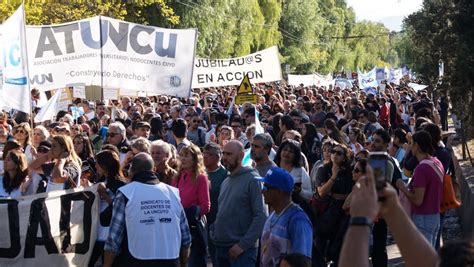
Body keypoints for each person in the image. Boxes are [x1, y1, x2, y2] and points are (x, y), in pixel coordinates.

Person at [339, 166, 439, 267]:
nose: (353, 172)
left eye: (356, 170)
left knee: (378, 253)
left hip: (376, 229)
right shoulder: (357, 188)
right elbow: (345, 206)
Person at [103, 153, 191, 267]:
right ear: (153, 169)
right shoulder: (172, 193)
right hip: (171, 260)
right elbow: (186, 239)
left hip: (136, 261)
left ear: (131, 171)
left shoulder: (126, 193)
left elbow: (113, 240)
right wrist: (183, 264)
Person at [211, 140, 267, 266]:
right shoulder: (226, 181)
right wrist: (213, 231)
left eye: (229, 154)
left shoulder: (252, 180)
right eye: (224, 153)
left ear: (241, 155)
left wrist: (242, 245)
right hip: (221, 247)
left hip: (241, 252)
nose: (225, 157)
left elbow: (261, 216)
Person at [258, 167, 313, 266]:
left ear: (279, 192)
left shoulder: (298, 221)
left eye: (266, 187)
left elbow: (303, 262)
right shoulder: (273, 214)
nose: (262, 191)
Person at [399, 130, 443, 247]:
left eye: (411, 143)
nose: (410, 146)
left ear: (417, 146)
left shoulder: (421, 169)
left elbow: (418, 200)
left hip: (423, 218)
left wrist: (402, 188)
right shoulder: (436, 162)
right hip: (434, 215)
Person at [313, 142, 353, 266]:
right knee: (319, 250)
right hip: (324, 214)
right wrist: (334, 176)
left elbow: (351, 194)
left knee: (337, 251)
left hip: (341, 216)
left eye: (339, 153)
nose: (334, 154)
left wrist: (337, 196)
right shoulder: (323, 170)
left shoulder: (349, 173)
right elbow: (321, 192)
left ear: (344, 157)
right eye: (333, 151)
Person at [172, 144, 210, 267]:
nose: (182, 159)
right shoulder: (177, 177)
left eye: (186, 156)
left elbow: (206, 206)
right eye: (181, 155)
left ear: (195, 159)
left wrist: (190, 213)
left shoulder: (201, 178)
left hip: (193, 227)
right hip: (177, 226)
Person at [89, 150, 127, 267]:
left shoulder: (121, 184)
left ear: (105, 165)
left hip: (109, 234)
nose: (95, 166)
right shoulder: (100, 181)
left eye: (98, 163)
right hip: (96, 232)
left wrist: (105, 194)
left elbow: (120, 208)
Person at [202, 143, 228, 266]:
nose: (205, 157)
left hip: (218, 223)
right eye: (204, 154)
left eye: (209, 154)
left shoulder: (225, 175)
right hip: (203, 222)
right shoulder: (201, 173)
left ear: (218, 157)